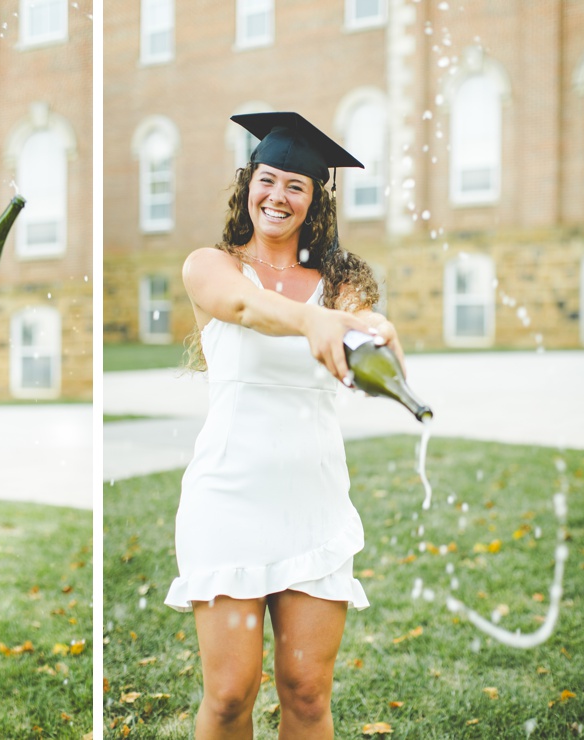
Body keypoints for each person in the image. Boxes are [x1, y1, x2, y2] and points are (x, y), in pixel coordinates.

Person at [164, 112, 398, 739]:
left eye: (297, 186)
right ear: (248, 185)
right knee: (230, 694)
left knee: (307, 693)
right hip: (228, 499)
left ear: (316, 199)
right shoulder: (210, 265)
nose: (279, 196)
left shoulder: (342, 281)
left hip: (313, 500)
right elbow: (242, 306)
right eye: (268, 180)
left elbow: (358, 338)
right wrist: (310, 322)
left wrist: (371, 333)